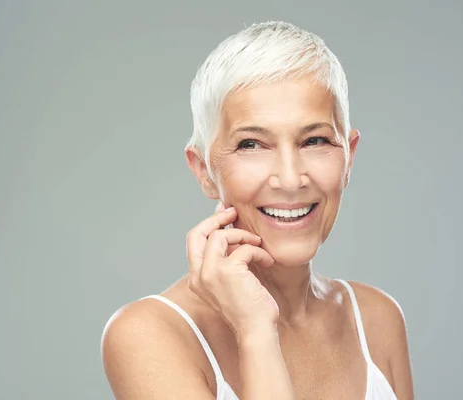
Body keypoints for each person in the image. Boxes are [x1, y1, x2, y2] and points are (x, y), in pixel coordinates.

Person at [101, 21, 414, 400]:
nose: (290, 178)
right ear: (204, 171)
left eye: (314, 140)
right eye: (251, 144)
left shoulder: (378, 318)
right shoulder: (149, 334)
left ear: (349, 158)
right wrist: (255, 332)